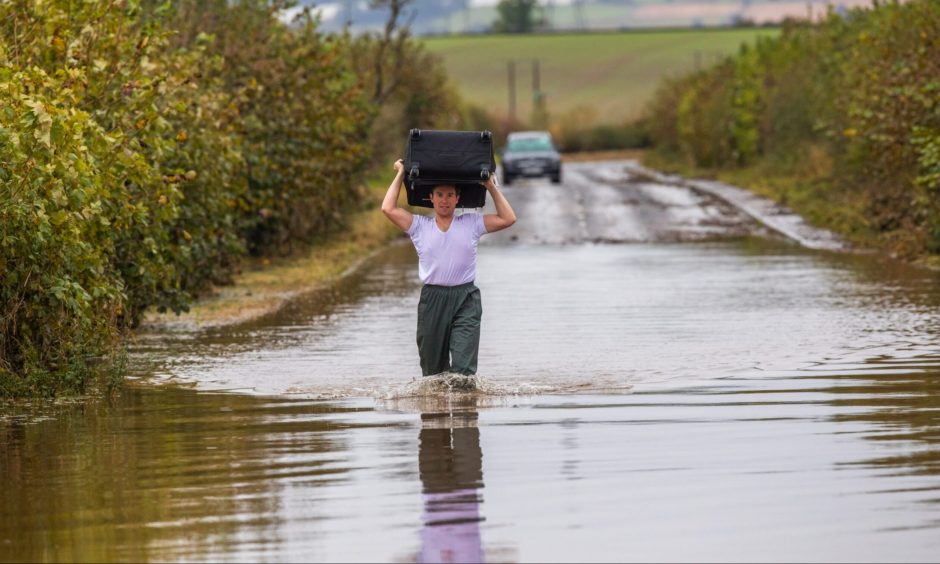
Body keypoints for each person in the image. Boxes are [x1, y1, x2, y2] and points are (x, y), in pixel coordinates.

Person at [382, 158, 517, 377]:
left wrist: (491, 186)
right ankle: (438, 411)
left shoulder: (471, 223)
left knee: (463, 371)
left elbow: (508, 218)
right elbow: (387, 208)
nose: (445, 200)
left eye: (450, 195)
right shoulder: (418, 226)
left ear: (457, 199)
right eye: (440, 195)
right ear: (431, 198)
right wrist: (400, 173)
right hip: (432, 299)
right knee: (433, 373)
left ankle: (464, 408)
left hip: (466, 298)